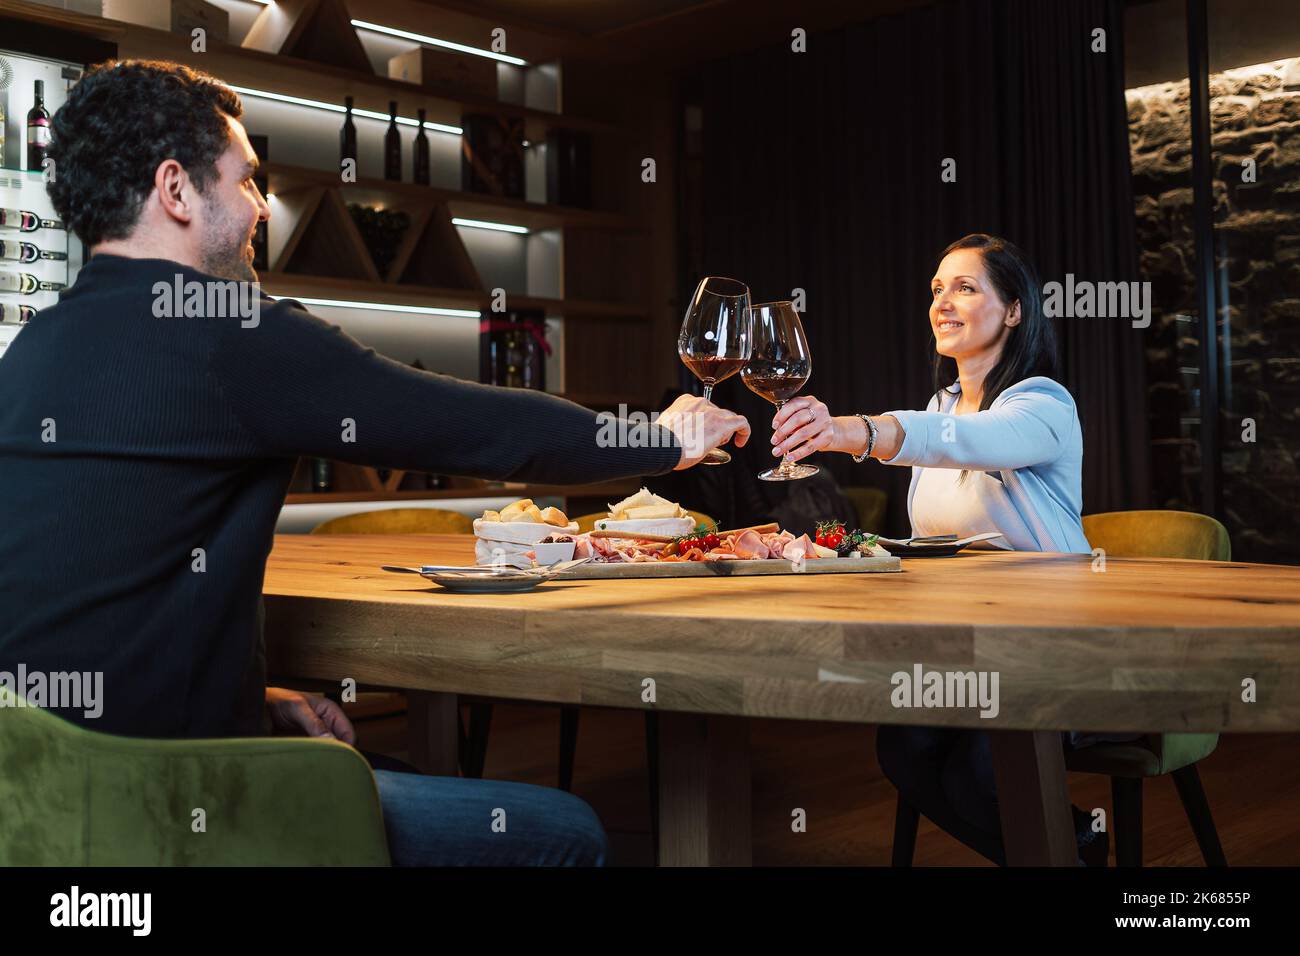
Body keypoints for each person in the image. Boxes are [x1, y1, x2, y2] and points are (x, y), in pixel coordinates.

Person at [0, 60, 750, 867]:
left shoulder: (32, 350)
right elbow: (464, 424)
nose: (260, 207)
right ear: (176, 190)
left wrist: (252, 700)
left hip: (40, 807)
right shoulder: (230, 333)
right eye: (247, 180)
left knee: (385, 769)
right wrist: (661, 437)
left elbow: (86, 603)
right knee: (566, 834)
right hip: (180, 806)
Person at [769, 233, 1111, 866]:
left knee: (980, 773)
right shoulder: (941, 405)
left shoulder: (1044, 404)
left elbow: (962, 439)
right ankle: (1071, 847)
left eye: (965, 287)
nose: (943, 303)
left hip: (1052, 646)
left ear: (1014, 310)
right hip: (966, 646)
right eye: (936, 289)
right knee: (904, 749)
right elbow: (938, 517)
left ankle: (1075, 849)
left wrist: (851, 431)